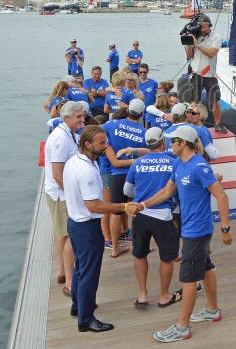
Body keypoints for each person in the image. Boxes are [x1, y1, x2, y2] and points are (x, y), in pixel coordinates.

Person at [134, 124, 231, 343]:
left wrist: (225, 228)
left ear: (183, 143)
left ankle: (182, 327)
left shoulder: (199, 166)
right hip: (189, 228)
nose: (168, 144)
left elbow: (221, 197)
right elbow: (167, 191)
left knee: (188, 279)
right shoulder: (178, 163)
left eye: (172, 141)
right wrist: (143, 205)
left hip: (198, 230)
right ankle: (213, 310)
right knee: (205, 267)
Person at [64, 125, 143, 333]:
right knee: (90, 273)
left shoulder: (74, 161)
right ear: (87, 144)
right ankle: (86, 319)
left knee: (81, 268)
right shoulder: (87, 171)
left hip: (74, 222)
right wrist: (125, 206)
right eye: (101, 143)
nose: (106, 145)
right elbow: (95, 206)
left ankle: (77, 306)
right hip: (87, 227)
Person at [124, 128, 181, 308]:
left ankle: (142, 295)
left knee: (140, 254)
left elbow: (127, 191)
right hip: (163, 216)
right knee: (167, 257)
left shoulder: (137, 163)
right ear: (163, 142)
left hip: (140, 215)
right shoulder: (173, 163)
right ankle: (164, 296)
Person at [44, 100, 88, 298]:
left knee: (62, 232)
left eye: (83, 115)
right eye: (78, 116)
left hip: (61, 193)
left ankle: (63, 271)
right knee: (66, 233)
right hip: (60, 195)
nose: (82, 119)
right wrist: (72, 197)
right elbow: (58, 173)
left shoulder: (69, 134)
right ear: (67, 117)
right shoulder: (61, 139)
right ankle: (68, 278)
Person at [103, 98, 147, 258]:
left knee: (116, 211)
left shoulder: (112, 124)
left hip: (117, 174)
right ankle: (140, 245)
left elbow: (96, 132)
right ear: (142, 114)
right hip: (137, 174)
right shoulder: (143, 132)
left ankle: (115, 247)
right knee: (139, 208)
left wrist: (108, 148)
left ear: (128, 111)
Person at [183, 15, 227, 133]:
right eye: (200, 27)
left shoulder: (216, 37)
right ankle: (192, 122)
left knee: (214, 100)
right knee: (194, 101)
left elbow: (211, 53)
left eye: (204, 26)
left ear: (209, 25)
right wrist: (189, 43)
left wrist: (197, 45)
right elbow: (189, 56)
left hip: (210, 74)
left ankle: (218, 124)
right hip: (196, 72)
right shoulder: (196, 36)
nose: (202, 29)